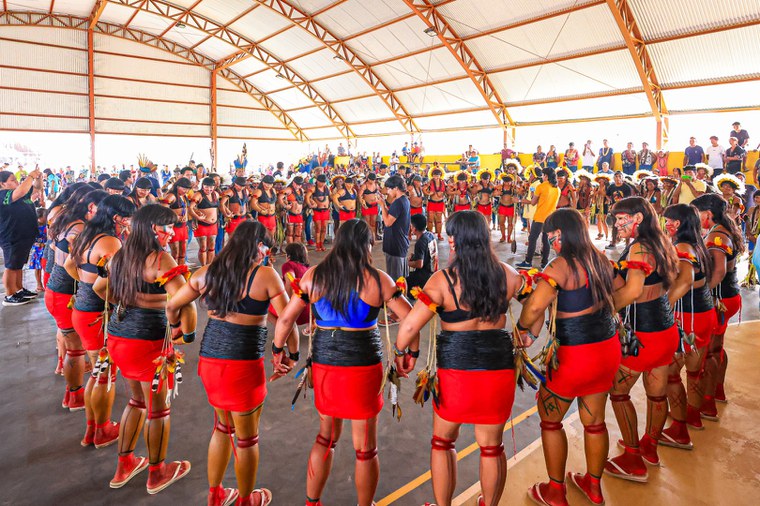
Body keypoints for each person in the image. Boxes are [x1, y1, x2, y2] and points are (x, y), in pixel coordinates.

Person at [273, 219, 413, 506]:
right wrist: (406, 354)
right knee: (365, 449)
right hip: (364, 367)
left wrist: (279, 350)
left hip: (325, 365)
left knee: (325, 437)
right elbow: (410, 319)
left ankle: (312, 502)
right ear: (367, 244)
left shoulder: (313, 276)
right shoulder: (378, 280)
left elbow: (286, 318)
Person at [395, 210, 521, 506]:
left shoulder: (442, 281)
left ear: (457, 241)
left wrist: (404, 352)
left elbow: (410, 326)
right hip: (498, 373)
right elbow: (538, 304)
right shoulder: (508, 274)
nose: (448, 239)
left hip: (457, 378)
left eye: (451, 235)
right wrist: (527, 331)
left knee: (442, 443)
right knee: (492, 447)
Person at [166, 221, 296, 506]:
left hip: (210, 362)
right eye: (266, 246)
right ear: (257, 246)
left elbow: (173, 305)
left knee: (222, 427)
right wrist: (288, 352)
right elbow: (287, 320)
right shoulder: (266, 276)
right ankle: (246, 500)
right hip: (242, 367)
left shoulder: (208, 272)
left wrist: (178, 329)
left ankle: (216, 495)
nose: (267, 252)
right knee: (247, 439)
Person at [516, 209, 621, 506]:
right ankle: (594, 487)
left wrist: (523, 330)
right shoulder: (600, 258)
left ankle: (556, 491)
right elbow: (620, 290)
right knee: (595, 422)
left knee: (550, 421)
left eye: (552, 234)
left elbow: (535, 306)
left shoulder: (560, 265)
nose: (550, 239)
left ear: (560, 233)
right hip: (606, 349)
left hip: (575, 356)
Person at [93, 204, 194, 494]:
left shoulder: (121, 254)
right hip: (148, 342)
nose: (173, 233)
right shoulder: (160, 259)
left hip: (118, 338)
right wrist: (185, 331)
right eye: (168, 228)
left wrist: (126, 301)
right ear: (154, 229)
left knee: (136, 401)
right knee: (158, 410)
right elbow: (183, 300)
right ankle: (157, 472)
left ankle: (124, 465)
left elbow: (100, 289)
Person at [605, 197, 679, 482]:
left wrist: (605, 307)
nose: (616, 223)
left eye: (621, 218)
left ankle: (633, 458)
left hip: (644, 336)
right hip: (665, 330)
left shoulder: (638, 246)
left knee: (618, 392)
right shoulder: (660, 242)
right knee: (656, 394)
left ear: (637, 217)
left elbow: (633, 290)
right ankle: (650, 446)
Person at [65, 195, 136, 448]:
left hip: (82, 309)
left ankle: (92, 429)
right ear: (117, 218)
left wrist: (85, 285)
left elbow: (68, 266)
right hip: (97, 313)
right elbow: (110, 285)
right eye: (127, 217)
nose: (129, 222)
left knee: (97, 373)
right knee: (104, 374)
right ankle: (102, 429)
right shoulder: (111, 242)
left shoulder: (87, 234)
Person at [659, 204, 715, 450]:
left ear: (678, 223)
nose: (666, 224)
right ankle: (692, 414)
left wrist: (664, 306)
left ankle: (680, 430)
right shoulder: (699, 244)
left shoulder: (682, 247)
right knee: (694, 371)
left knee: (671, 374)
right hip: (703, 313)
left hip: (687, 318)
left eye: (669, 221)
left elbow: (684, 281)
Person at [47, 189, 107, 412]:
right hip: (63, 293)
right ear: (91, 207)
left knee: (72, 346)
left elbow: (54, 250)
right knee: (75, 349)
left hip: (56, 291)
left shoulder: (68, 219)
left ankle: (72, 392)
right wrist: (83, 282)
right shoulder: (80, 228)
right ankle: (75, 396)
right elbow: (71, 265)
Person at [691, 194, 744, 419]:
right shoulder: (725, 230)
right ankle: (717, 391)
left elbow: (719, 271)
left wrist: (703, 295)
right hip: (728, 297)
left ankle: (707, 402)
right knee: (717, 347)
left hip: (719, 299)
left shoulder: (716, 237)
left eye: (698, 214)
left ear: (708, 214)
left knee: (710, 352)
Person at [0, 168, 43, 305]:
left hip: (23, 235)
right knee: (11, 266)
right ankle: (10, 294)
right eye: (12, 180)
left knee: (18, 265)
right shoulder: (3, 195)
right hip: (12, 235)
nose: (17, 182)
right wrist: (30, 175)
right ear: (2, 184)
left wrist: (38, 178)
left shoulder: (19, 194)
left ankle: (18, 290)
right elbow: (22, 190)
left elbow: (36, 188)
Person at [517, 167, 559, 269]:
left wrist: (531, 196)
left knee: (532, 239)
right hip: (550, 218)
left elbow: (533, 202)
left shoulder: (541, 186)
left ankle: (528, 262)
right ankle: (545, 263)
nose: (542, 177)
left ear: (546, 176)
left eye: (543, 175)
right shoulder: (557, 188)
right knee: (546, 241)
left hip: (540, 217)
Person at [380, 175, 410, 288]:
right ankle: (404, 300)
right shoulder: (403, 200)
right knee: (401, 278)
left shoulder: (398, 202)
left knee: (395, 280)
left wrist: (382, 206)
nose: (387, 192)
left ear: (396, 188)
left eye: (389, 189)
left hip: (395, 244)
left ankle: (399, 302)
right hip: (400, 242)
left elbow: (388, 222)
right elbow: (392, 216)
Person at [281, 242, 311, 328]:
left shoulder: (288, 265)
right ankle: (310, 326)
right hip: (310, 313)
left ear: (289, 256)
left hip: (297, 313)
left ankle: (284, 329)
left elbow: (291, 283)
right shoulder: (307, 268)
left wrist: (287, 305)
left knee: (266, 304)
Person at [190, 177, 219, 266]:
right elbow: (190, 208)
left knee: (212, 247)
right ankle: (203, 266)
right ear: (202, 186)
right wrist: (197, 218)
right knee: (203, 247)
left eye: (211, 187)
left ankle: (209, 266)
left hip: (213, 225)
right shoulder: (198, 195)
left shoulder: (216, 194)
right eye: (206, 187)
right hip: (202, 224)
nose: (209, 189)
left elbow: (217, 208)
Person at [407, 214, 438, 295]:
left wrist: (408, 263)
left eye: (411, 226)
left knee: (403, 283)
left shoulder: (420, 242)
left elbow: (419, 264)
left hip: (424, 276)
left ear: (414, 228)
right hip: (433, 272)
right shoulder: (430, 235)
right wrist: (415, 256)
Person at [604, 172, 634, 249]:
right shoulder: (611, 186)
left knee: (626, 225)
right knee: (615, 225)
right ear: (614, 178)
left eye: (619, 176)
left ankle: (627, 244)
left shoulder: (626, 187)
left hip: (624, 209)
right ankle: (613, 243)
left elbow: (628, 199)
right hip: (615, 209)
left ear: (622, 178)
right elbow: (607, 194)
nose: (618, 178)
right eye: (616, 176)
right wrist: (611, 201)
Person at [307, 174, 331, 251]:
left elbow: (330, 196)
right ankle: (317, 245)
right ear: (317, 181)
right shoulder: (314, 188)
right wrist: (310, 204)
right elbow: (307, 196)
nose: (323, 183)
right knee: (318, 228)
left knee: (324, 228)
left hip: (326, 210)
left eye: (324, 182)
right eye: (321, 182)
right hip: (317, 211)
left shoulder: (326, 188)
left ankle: (321, 243)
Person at [424, 168, 446, 241]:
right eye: (434, 176)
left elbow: (447, 191)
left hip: (440, 202)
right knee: (430, 220)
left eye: (437, 176)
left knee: (439, 220)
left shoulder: (443, 182)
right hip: (432, 202)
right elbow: (424, 189)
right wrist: (428, 193)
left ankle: (439, 235)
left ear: (440, 176)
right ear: (432, 176)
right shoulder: (430, 182)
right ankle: (430, 235)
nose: (436, 177)